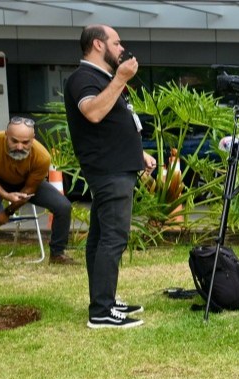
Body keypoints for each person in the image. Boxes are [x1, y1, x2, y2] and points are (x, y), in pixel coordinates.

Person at [63, 24, 155, 328]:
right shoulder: (83, 78)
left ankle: (105, 301)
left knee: (101, 237)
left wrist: (138, 154)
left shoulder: (101, 78)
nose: (122, 48)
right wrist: (120, 79)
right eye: (116, 43)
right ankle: (101, 312)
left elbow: (113, 124)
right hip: (108, 170)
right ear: (98, 45)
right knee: (113, 238)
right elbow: (92, 112)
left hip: (118, 166)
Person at [0, 118, 76, 279]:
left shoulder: (42, 156)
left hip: (25, 183)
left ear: (33, 139)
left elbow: (29, 190)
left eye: (25, 142)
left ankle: (58, 254)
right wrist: (5, 196)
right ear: (6, 135)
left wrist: (7, 212)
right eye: (14, 141)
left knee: (63, 206)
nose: (19, 147)